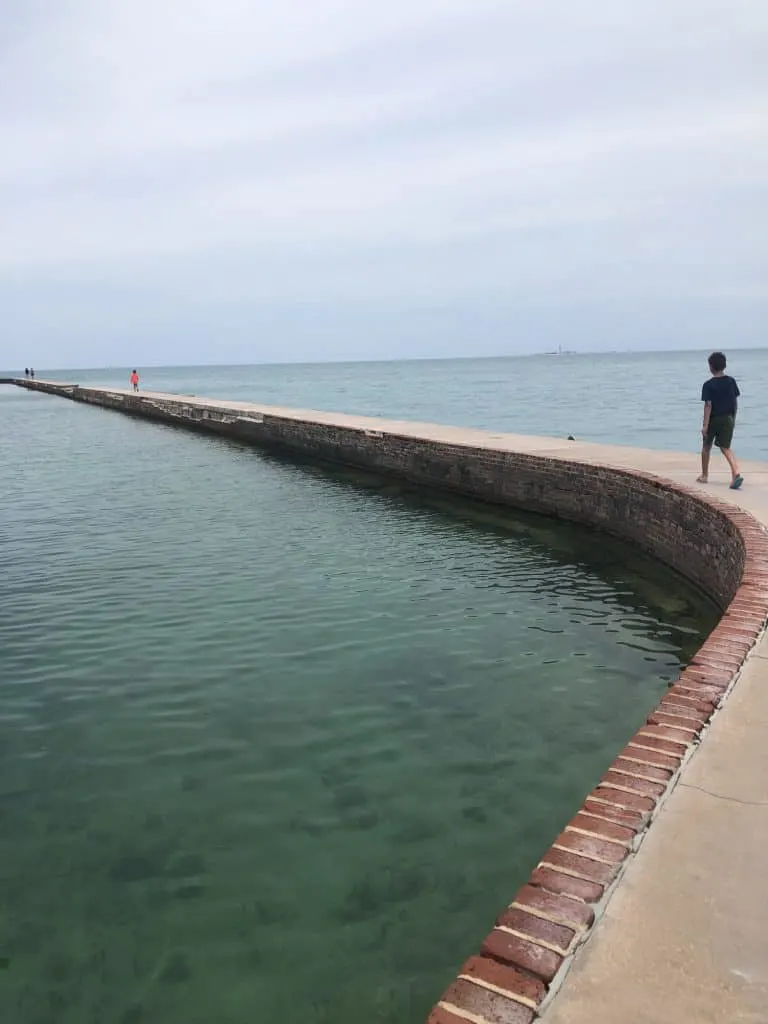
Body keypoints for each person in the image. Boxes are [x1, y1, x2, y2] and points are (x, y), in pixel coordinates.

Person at [698, 351, 743, 490]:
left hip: (714, 419)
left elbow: (708, 405)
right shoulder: (731, 381)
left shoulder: (708, 385)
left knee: (706, 446)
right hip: (728, 417)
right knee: (726, 447)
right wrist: (733, 418)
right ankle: (735, 471)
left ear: (711, 367)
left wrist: (705, 426)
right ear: (724, 365)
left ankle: (704, 475)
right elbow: (735, 402)